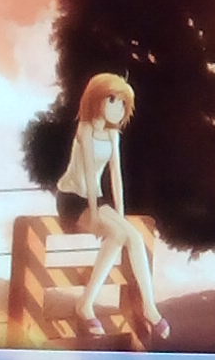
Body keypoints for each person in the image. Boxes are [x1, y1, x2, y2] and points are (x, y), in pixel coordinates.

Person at [54, 71, 168, 339]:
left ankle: (149, 307)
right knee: (117, 234)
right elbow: (87, 173)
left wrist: (120, 214)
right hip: (73, 199)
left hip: (97, 197)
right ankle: (86, 305)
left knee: (133, 237)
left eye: (123, 103)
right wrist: (95, 215)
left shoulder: (113, 136)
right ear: (96, 99)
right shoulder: (84, 130)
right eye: (113, 100)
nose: (118, 109)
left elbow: (115, 177)